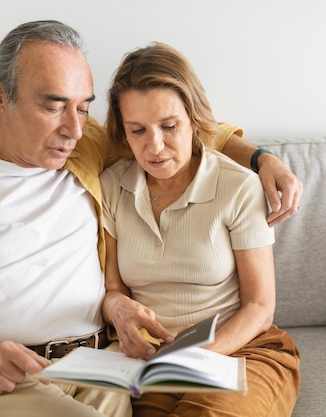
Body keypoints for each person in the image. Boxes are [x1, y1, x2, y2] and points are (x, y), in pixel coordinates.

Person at [0, 21, 301, 417]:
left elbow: (187, 126)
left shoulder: (88, 147)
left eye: (84, 106)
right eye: (53, 105)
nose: (72, 127)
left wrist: (262, 159)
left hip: (100, 365)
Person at [100, 42, 300, 417]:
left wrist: (199, 354)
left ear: (193, 120)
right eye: (137, 130)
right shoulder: (112, 186)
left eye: (169, 126)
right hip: (152, 358)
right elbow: (114, 289)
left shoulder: (238, 187)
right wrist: (119, 311)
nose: (154, 146)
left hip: (241, 348)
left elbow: (260, 306)